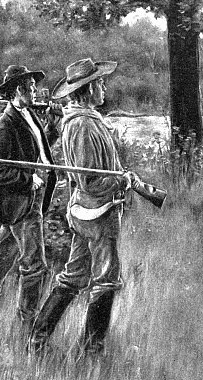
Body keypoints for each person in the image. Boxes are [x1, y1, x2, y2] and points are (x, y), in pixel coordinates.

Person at [29, 58, 134, 363]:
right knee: (106, 279)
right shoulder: (84, 124)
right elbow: (90, 180)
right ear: (87, 90)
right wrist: (121, 182)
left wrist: (120, 175)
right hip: (98, 212)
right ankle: (91, 351)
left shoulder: (81, 119)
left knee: (73, 277)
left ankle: (37, 340)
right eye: (99, 83)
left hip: (86, 211)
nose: (104, 87)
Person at [0, 65, 61, 327]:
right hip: (22, 201)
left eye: (34, 87)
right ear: (17, 90)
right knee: (35, 265)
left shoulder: (28, 115)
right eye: (31, 87)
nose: (35, 91)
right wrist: (28, 179)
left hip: (30, 199)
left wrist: (52, 127)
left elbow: (35, 151)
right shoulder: (4, 126)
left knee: (1, 256)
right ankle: (28, 325)